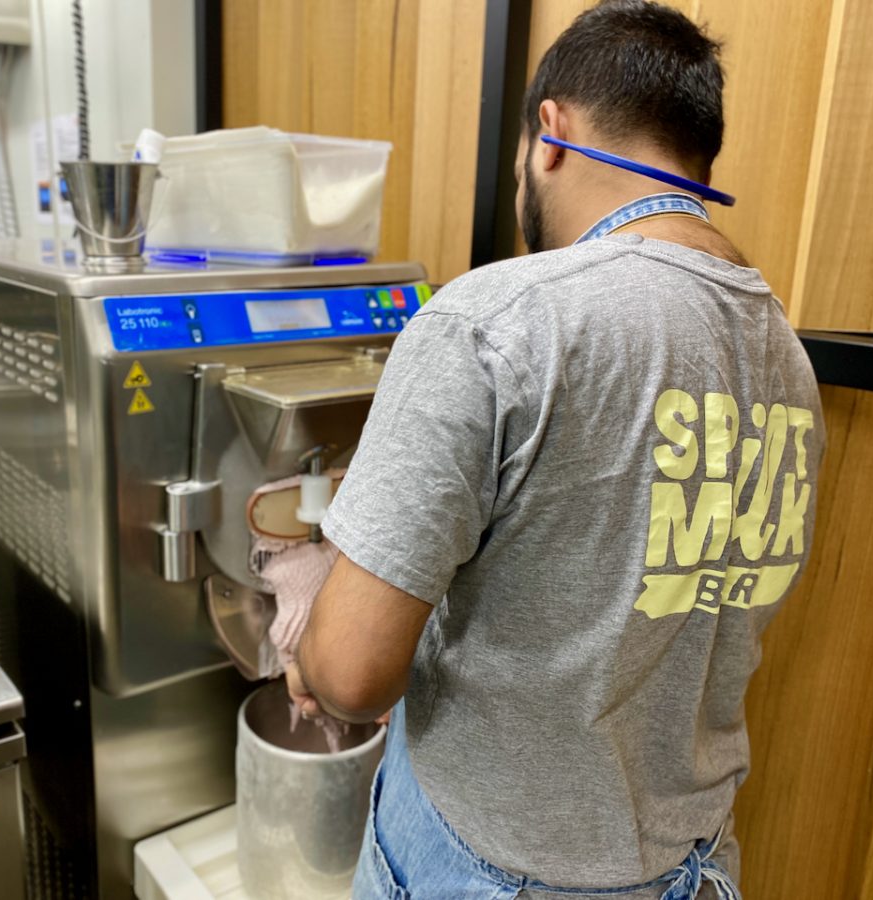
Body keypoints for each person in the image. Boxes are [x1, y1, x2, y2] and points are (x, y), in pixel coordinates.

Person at [285, 1, 824, 898]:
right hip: (693, 865)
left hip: (488, 869)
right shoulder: (787, 360)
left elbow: (349, 675)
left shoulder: (498, 318)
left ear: (550, 133)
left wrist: (308, 657)